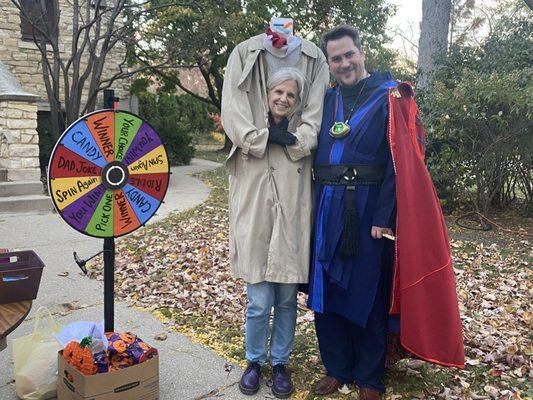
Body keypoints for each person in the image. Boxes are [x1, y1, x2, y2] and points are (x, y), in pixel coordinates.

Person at [307, 25, 465, 400]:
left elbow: (400, 164)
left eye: (349, 54)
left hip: (368, 210)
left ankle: (369, 378)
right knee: (325, 289)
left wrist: (383, 217)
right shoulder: (326, 101)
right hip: (326, 204)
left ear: (362, 53)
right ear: (329, 63)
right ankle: (336, 368)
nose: (344, 63)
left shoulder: (388, 97)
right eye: (336, 58)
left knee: (367, 291)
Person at [221, 18, 329, 398]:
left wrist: (294, 141)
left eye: (290, 95)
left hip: (293, 194)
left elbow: (312, 127)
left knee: (285, 297)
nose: (283, 98)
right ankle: (254, 360)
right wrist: (262, 138)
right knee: (258, 299)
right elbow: (234, 115)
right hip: (254, 198)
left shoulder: (315, 63)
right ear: (267, 93)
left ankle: (280, 363)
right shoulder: (244, 55)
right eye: (277, 92)